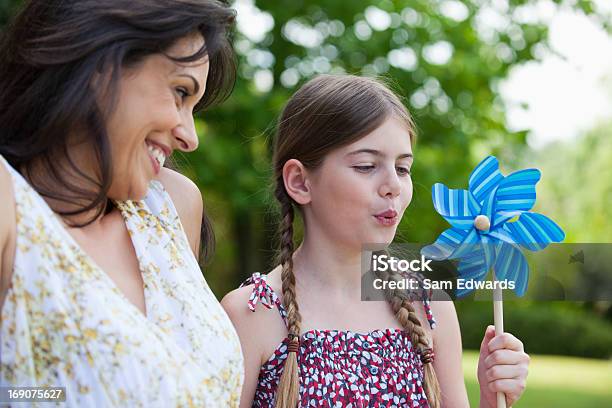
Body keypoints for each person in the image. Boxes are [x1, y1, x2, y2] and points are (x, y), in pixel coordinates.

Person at [221, 74, 530, 407]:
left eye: (402, 168)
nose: (393, 185)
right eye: (366, 166)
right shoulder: (251, 315)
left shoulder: (429, 305)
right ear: (300, 181)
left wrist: (490, 396)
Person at [0, 0, 243, 406]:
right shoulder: (12, 211)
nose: (190, 136)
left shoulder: (172, 206)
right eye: (180, 92)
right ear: (101, 62)